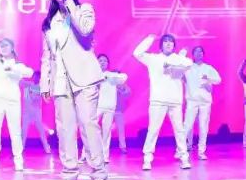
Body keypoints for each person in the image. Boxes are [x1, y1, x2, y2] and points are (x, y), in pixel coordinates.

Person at [40, 0, 108, 180]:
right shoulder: (49, 23)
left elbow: (86, 30)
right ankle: (69, 178)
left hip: (84, 77)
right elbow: (47, 55)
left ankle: (98, 177)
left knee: (88, 125)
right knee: (65, 130)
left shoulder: (84, 9)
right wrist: (45, 83)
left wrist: (70, 3)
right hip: (60, 81)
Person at [134, 33, 193, 171]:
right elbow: (137, 53)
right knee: (153, 130)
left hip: (175, 101)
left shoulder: (179, 59)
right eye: (165, 41)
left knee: (179, 130)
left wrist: (174, 63)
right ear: (161, 45)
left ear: (174, 45)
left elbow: (189, 64)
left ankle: (184, 158)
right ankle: (147, 159)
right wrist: (149, 39)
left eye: (171, 41)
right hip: (158, 100)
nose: (168, 43)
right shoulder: (154, 59)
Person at [0, 30, 33, 171]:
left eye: (6, 45)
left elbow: (30, 72)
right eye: (1, 45)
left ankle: (18, 160)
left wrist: (14, 69)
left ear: (12, 48)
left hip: (12, 102)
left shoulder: (17, 65)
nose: (3, 47)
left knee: (15, 132)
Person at [184, 46, 222, 160]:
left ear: (203, 54)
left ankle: (201, 151)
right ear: (193, 54)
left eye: (201, 51)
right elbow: (179, 75)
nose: (199, 53)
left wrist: (208, 79)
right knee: (187, 125)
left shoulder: (208, 68)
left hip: (205, 101)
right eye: (196, 51)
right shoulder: (188, 67)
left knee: (203, 126)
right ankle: (181, 149)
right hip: (192, 100)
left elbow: (218, 80)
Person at [95, 54, 128, 162]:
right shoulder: (93, 75)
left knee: (106, 132)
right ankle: (86, 154)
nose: (102, 62)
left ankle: (105, 156)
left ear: (108, 63)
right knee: (91, 130)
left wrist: (110, 77)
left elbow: (124, 77)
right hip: (96, 107)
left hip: (109, 107)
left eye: (105, 61)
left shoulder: (111, 76)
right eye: (100, 60)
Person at [21, 72, 52, 154]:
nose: (35, 78)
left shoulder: (41, 87)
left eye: (37, 77)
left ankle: (47, 148)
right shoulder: (27, 84)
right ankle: (21, 148)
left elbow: (37, 99)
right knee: (23, 131)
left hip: (36, 113)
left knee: (41, 131)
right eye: (34, 77)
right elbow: (20, 81)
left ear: (39, 78)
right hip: (26, 113)